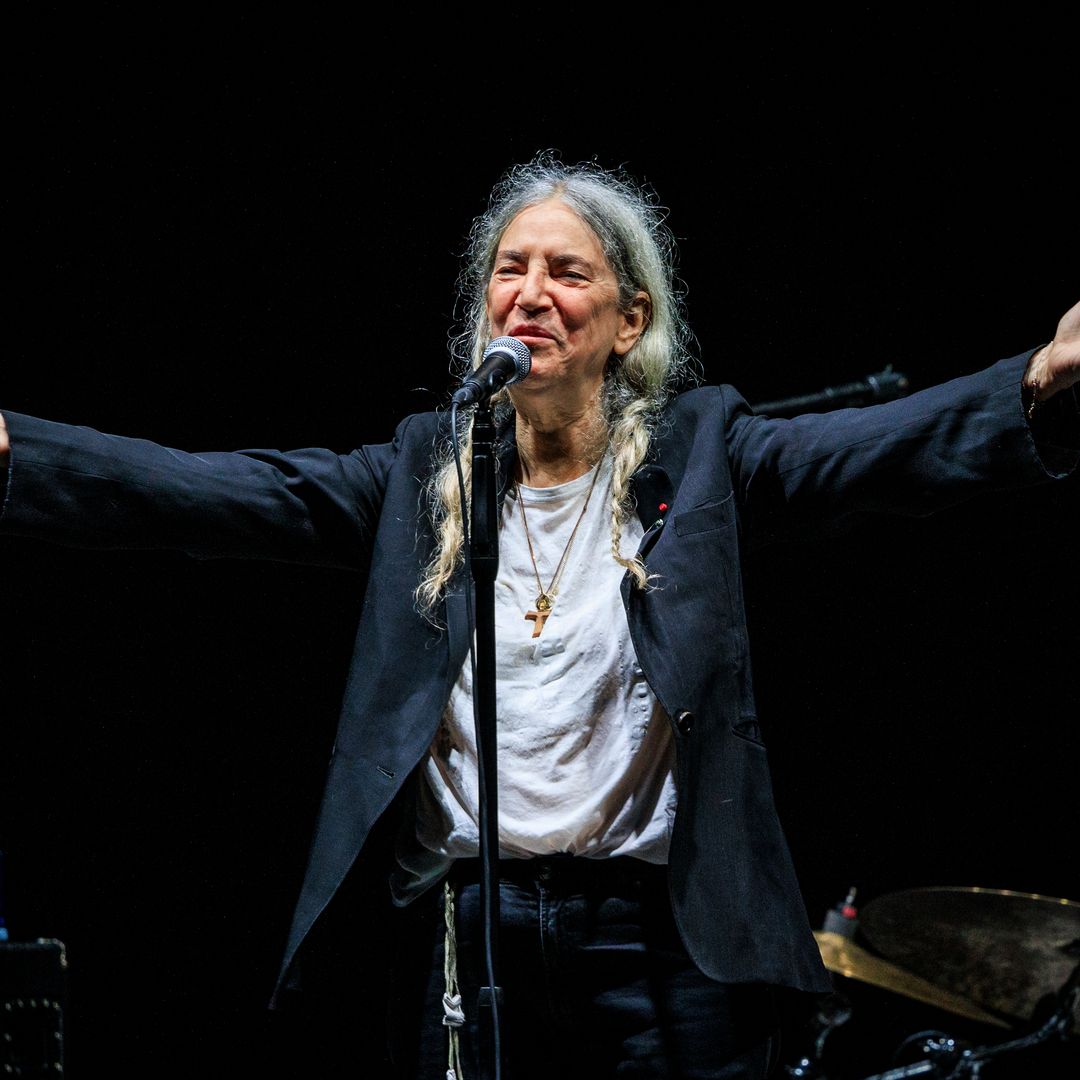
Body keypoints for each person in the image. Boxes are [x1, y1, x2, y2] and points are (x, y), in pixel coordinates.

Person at [0, 156, 1077, 1079]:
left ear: (630, 320)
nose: (531, 293)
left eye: (568, 272)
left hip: (659, 942)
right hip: (473, 934)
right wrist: (19, 449)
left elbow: (873, 450)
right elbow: (223, 491)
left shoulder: (703, 454)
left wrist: (1036, 377)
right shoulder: (427, 474)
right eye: (509, 271)